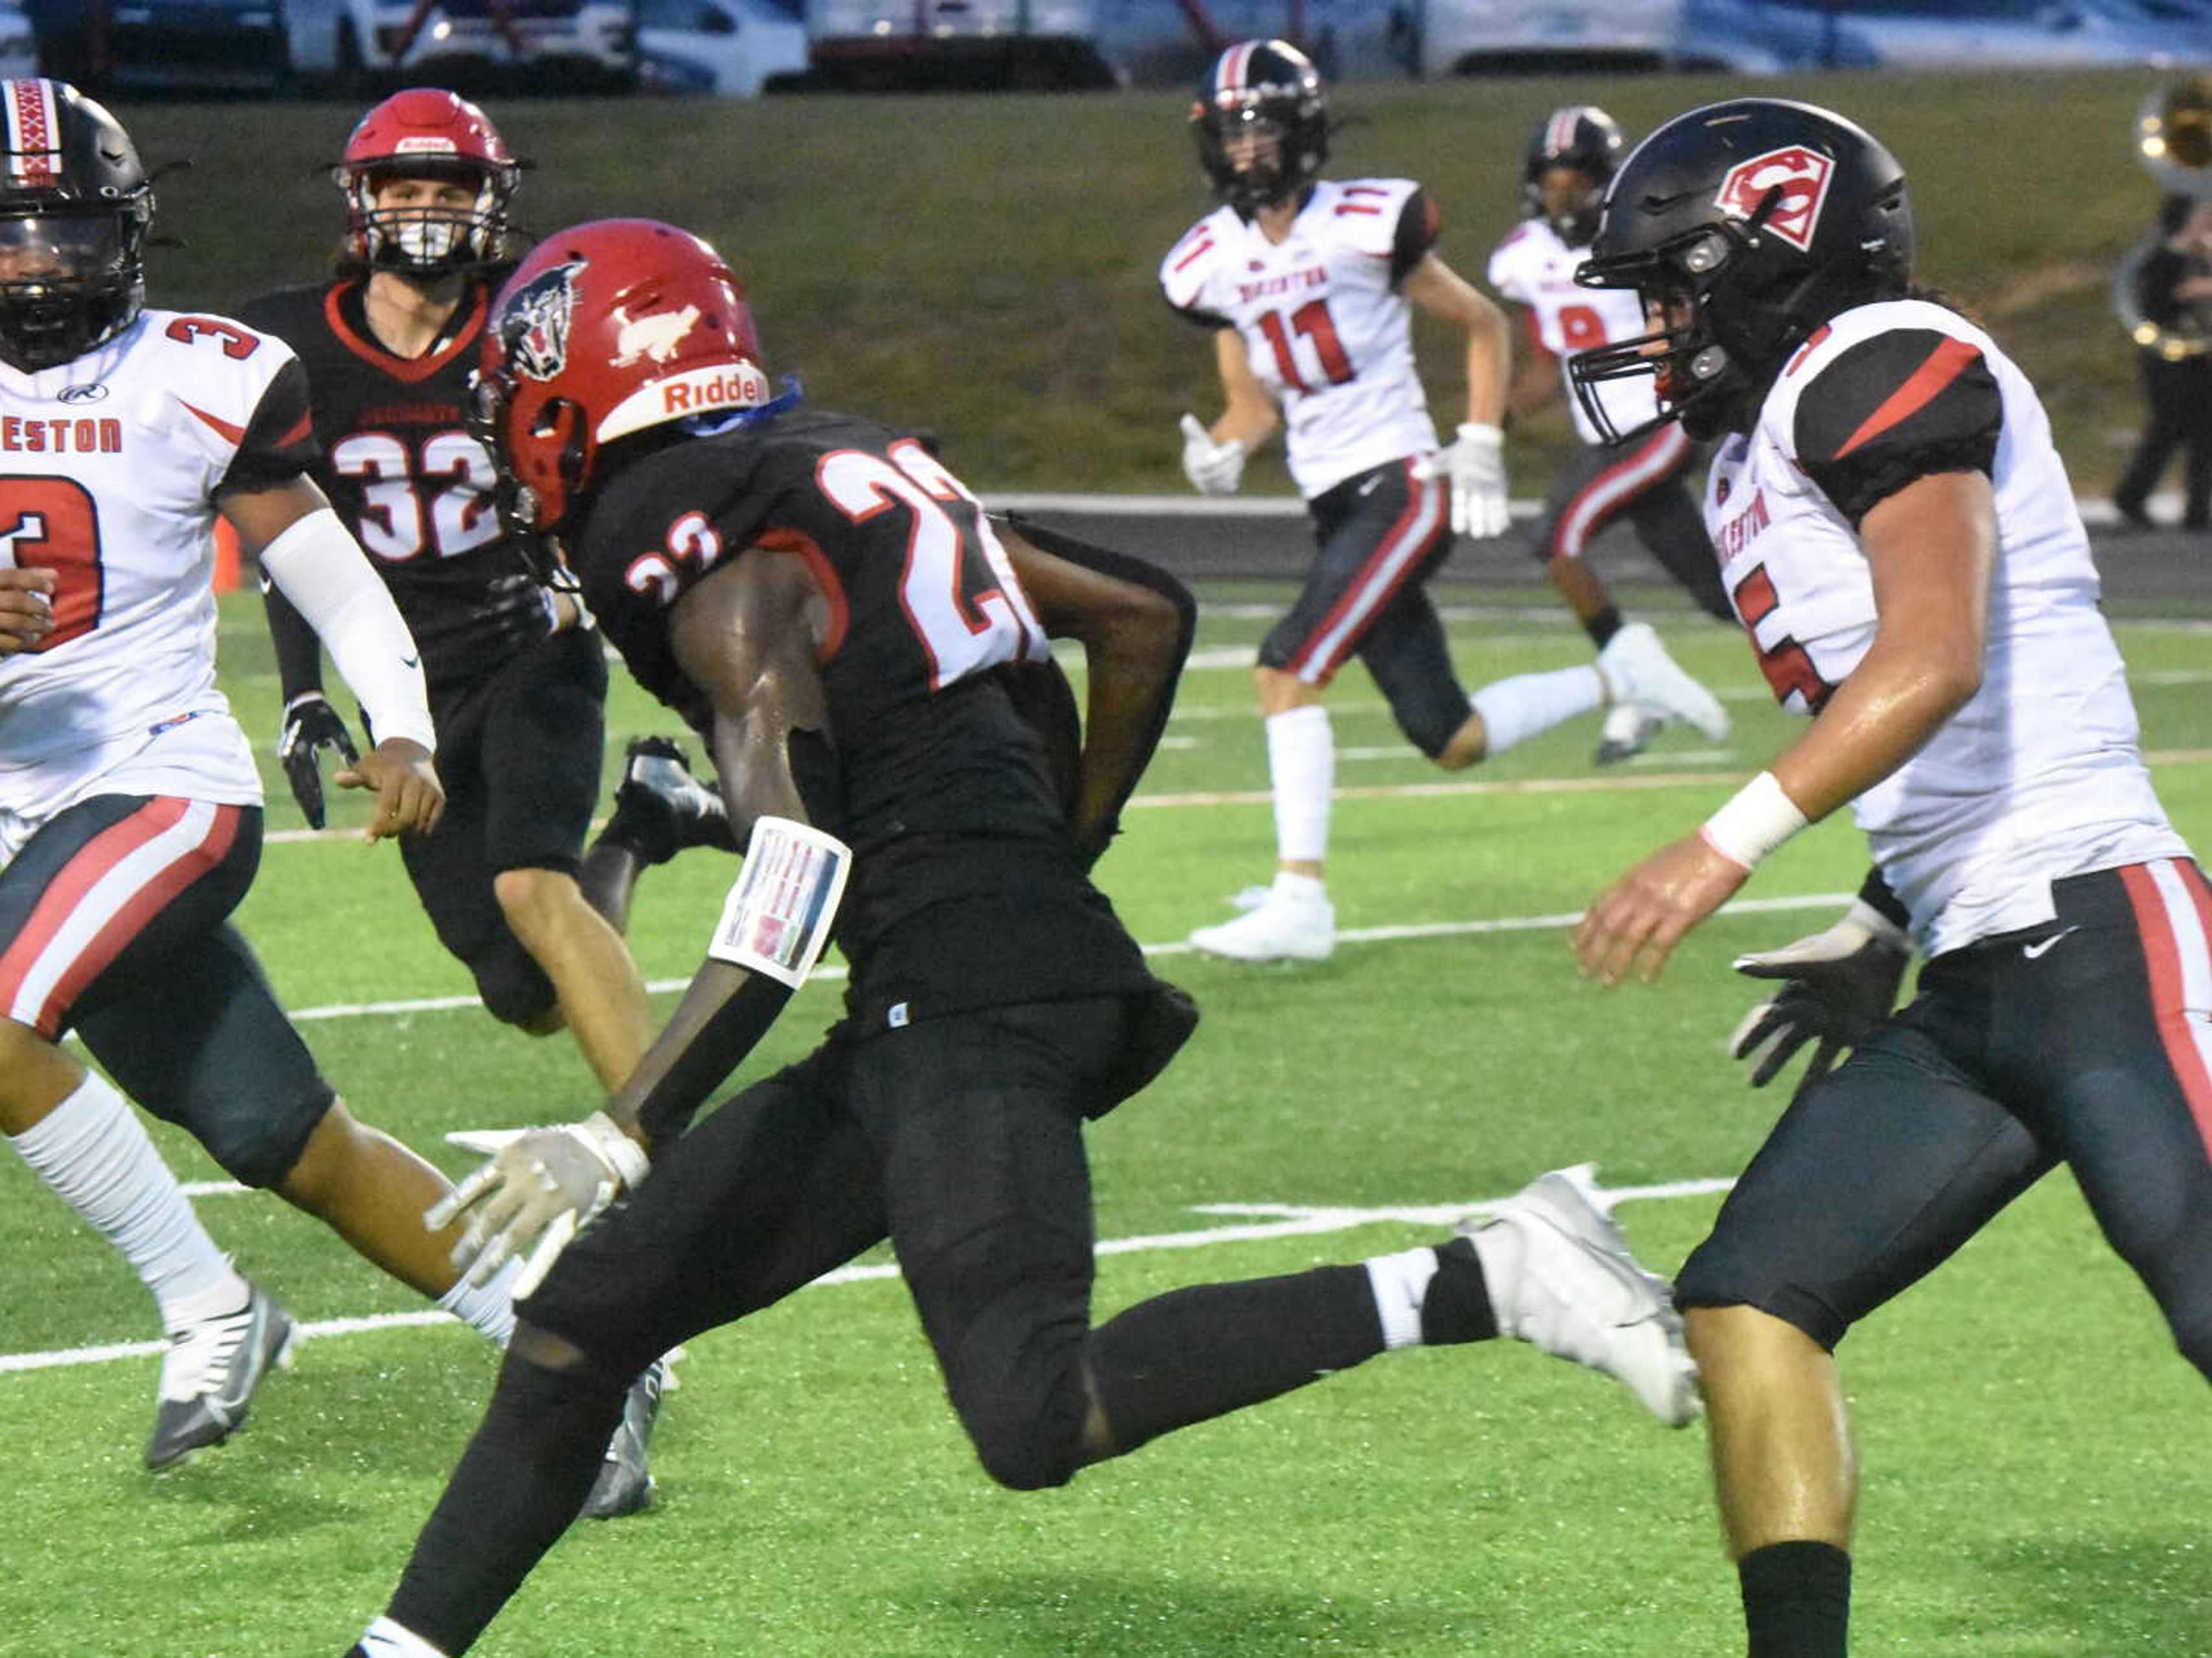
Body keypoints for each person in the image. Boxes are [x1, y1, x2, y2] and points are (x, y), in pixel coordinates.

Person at [336, 217, 1697, 1658]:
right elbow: (1143, 616)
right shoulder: (848, 464)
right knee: (579, 1325)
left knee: (1036, 1411)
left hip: (970, 995)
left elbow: (799, 862)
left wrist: (619, 1130)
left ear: (590, 375)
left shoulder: (696, 536)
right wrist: (1057, 845)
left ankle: (1500, 1269)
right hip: (942, 977)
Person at [1565, 98, 2212, 1658]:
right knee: (1748, 1293)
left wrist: (1715, 842)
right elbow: (1908, 724)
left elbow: (1934, 653)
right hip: (1976, 966)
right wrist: (1881, 910)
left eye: (1675, 276)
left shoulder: (1873, 358)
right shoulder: (1750, 459)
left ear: (1773, 254)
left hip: (2098, 914)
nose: (1653, 318)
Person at [0, 78, 523, 1473]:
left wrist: (407, 725)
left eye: (71, 230)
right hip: (43, 815)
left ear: (127, 233)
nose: (41, 263)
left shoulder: (197, 372)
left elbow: (335, 578)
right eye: (8, 234)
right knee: (290, 1138)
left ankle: (208, 1300)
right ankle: (580, 1344)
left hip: (171, 790)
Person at [234, 90, 734, 1516]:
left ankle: (671, 1171)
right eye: (407, 185)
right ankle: (646, 819)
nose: (431, 209)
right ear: (361, 198)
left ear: (495, 196)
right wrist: (305, 686)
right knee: (520, 983)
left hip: (533, 650)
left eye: (454, 184)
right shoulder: (286, 342)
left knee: (529, 887)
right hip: (408, 694)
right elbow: (278, 527)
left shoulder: (529, 317)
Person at [1161, 40, 1729, 965]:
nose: (1248, 150)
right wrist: (1224, 450)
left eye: (1263, 129)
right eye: (1232, 133)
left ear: (1302, 130)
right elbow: (1251, 402)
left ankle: (1301, 899)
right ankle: (1623, 677)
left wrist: (1476, 439)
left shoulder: (1364, 220)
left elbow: (1481, 322)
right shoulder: (1205, 264)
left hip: (1403, 483)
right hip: (1333, 498)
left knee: (1285, 667)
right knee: (1450, 736)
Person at [1486, 104, 1735, 767]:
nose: (1563, 190)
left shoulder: (1639, 237)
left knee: (1558, 535)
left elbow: (1690, 321)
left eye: (1577, 176)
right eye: (1553, 177)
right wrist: (1489, 423)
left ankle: (1635, 675)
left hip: (1659, 422)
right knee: (1720, 594)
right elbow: (1549, 362)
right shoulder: (1522, 258)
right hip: (1607, 436)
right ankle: (1842, 633)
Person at [2110, 190, 2212, 532]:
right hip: (2166, 359)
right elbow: (2153, 306)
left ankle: (2198, 509)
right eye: (2201, 216)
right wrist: (2190, 291)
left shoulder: (2202, 259)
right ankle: (2132, 496)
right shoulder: (2160, 260)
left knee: (2205, 432)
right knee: (2167, 429)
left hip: (2199, 358)